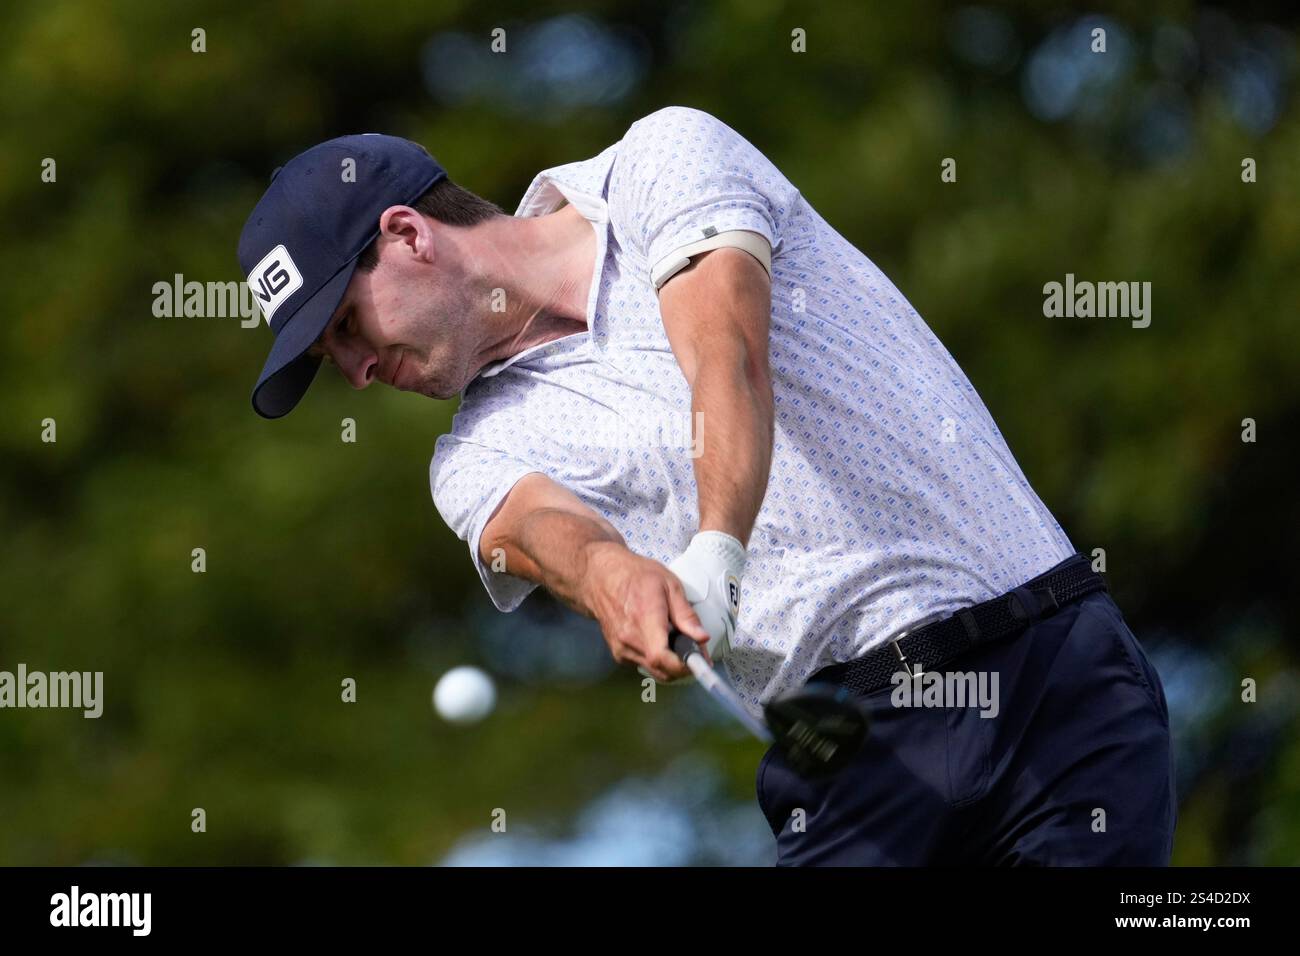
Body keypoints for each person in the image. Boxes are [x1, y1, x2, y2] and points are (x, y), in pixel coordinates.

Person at [238, 106, 1176, 865]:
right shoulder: (471, 456)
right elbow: (549, 533)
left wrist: (714, 551)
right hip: (852, 753)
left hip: (1051, 665)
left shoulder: (658, 162)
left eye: (348, 329)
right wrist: (613, 576)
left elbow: (724, 359)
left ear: (406, 235)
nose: (357, 371)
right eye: (334, 359)